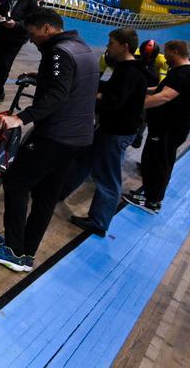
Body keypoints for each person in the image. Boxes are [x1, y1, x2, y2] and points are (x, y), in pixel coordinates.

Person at [0, 7, 97, 271]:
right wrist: (41, 77)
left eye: (33, 34)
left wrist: (21, 118)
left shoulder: (59, 52)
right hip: (78, 137)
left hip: (57, 135)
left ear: (46, 29)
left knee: (17, 181)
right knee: (46, 194)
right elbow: (72, 83)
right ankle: (26, 251)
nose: (31, 40)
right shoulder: (81, 46)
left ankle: (12, 249)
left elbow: (57, 96)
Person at [58, 28, 149, 236]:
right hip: (110, 128)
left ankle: (99, 221)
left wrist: (93, 95)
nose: (108, 47)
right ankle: (59, 192)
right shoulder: (128, 68)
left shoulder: (130, 72)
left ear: (124, 46)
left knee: (107, 177)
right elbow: (111, 89)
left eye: (111, 43)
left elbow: (113, 101)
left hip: (117, 132)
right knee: (83, 160)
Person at [123, 40, 190, 214]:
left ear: (174, 52)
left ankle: (152, 202)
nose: (164, 56)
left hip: (169, 128)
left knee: (159, 163)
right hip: (166, 127)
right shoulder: (183, 71)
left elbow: (165, 96)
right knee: (153, 160)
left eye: (166, 52)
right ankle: (150, 196)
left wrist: (135, 104)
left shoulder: (184, 75)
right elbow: (161, 89)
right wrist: (141, 89)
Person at [0, 0, 38, 108]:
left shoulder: (31, 0)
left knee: (4, 66)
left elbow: (32, 22)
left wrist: (16, 25)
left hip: (16, 39)